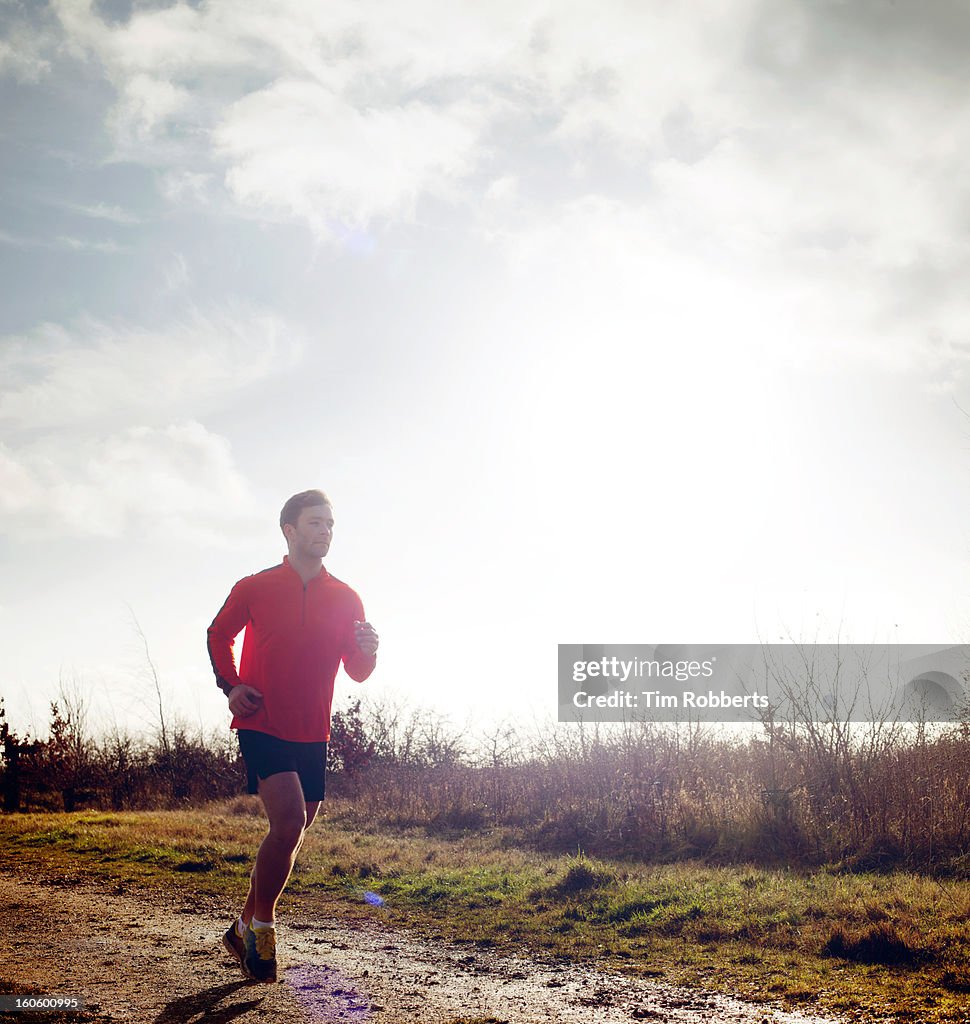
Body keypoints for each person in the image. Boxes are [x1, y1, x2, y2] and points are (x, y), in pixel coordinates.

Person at [207, 489, 379, 983]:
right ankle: (262, 931)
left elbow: (358, 670)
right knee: (285, 823)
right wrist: (232, 684)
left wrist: (369, 650)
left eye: (329, 523)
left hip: (312, 728)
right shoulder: (255, 586)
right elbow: (219, 634)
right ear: (290, 530)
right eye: (315, 523)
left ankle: (240, 927)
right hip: (263, 720)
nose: (325, 531)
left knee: (295, 827)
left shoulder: (346, 597)